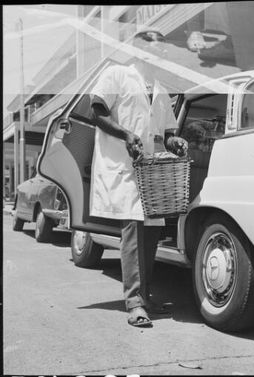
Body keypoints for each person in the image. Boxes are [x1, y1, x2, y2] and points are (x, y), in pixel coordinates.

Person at [89, 28, 188, 328]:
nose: (163, 54)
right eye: (158, 48)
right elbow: (96, 111)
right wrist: (127, 134)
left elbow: (167, 133)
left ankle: (145, 295)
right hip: (123, 168)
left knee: (151, 236)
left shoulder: (162, 90)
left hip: (151, 173)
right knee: (132, 232)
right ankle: (134, 303)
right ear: (139, 49)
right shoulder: (117, 75)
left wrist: (176, 143)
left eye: (165, 50)